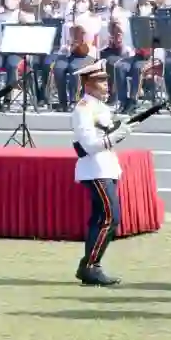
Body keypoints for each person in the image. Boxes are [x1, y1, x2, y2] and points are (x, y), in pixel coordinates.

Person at [71, 59, 131, 286]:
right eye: (99, 81)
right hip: (94, 168)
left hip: (105, 166)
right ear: (87, 84)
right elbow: (89, 145)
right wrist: (118, 134)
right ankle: (90, 265)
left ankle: (90, 265)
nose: (106, 85)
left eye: (106, 80)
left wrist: (119, 128)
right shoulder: (83, 109)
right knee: (110, 217)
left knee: (100, 219)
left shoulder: (100, 107)